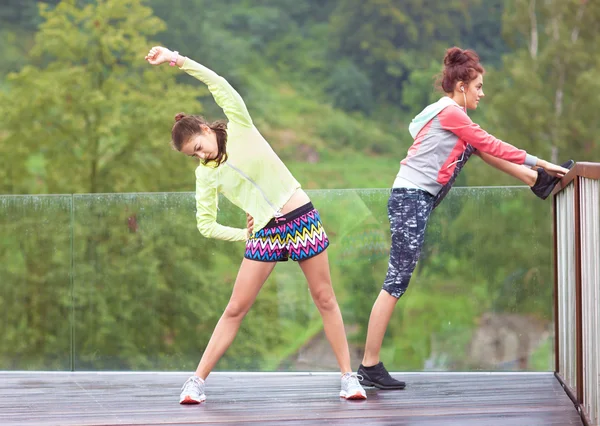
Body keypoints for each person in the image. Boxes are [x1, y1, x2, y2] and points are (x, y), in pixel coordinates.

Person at [144, 46, 366, 403]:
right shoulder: (206, 176)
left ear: (205, 128)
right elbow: (205, 224)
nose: (201, 156)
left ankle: (348, 377)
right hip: (264, 233)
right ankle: (196, 383)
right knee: (235, 308)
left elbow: (216, 82)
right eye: (194, 156)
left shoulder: (241, 126)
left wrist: (176, 59)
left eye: (200, 146)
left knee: (325, 297)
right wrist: (243, 234)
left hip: (300, 217)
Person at [357, 46, 573, 390]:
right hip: (410, 199)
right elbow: (493, 143)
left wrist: (534, 173)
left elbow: (484, 150)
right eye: (478, 88)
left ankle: (538, 184)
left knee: (397, 280)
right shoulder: (451, 113)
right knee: (395, 282)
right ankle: (369, 365)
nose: (482, 94)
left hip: (415, 200)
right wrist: (541, 161)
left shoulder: (451, 116)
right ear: (461, 87)